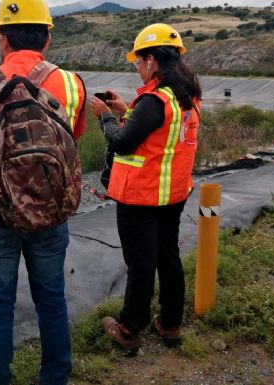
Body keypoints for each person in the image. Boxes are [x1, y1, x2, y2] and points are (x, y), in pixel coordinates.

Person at [0, 1, 86, 384]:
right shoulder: (72, 83)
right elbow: (72, 139)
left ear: (2, 37)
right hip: (52, 210)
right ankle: (55, 377)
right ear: (46, 37)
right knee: (52, 301)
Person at [88, 23, 201, 349]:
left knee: (140, 265)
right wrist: (126, 111)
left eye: (137, 62)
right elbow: (154, 135)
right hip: (173, 194)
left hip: (142, 197)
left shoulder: (154, 100)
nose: (137, 69)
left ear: (151, 61)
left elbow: (123, 143)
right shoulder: (185, 97)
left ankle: (128, 330)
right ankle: (170, 325)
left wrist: (105, 117)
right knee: (168, 258)